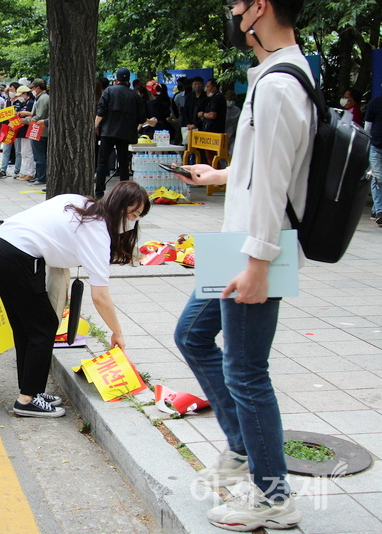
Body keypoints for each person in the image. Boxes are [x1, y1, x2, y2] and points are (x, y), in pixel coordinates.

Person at [172, 0, 312, 529]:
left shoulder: (278, 84)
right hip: (241, 245)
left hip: (255, 249)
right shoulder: (276, 74)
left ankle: (274, 497)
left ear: (260, 7)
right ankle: (239, 446)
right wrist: (220, 176)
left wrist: (258, 263)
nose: (230, 12)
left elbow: (276, 183)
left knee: (247, 370)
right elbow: (263, 168)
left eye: (236, 3)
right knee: (191, 336)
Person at [0, 181, 149, 417]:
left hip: (0, 247)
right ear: (119, 207)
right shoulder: (97, 232)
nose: (134, 221)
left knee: (27, 327)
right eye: (133, 214)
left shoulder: (80, 203)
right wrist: (117, 332)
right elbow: (101, 297)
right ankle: (26, 400)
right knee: (44, 325)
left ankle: (32, 391)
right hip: (16, 256)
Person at [94, 68, 145, 198]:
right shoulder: (135, 95)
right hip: (126, 134)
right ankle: (124, 194)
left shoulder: (109, 91)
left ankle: (99, 192)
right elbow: (141, 118)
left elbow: (101, 111)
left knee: (102, 162)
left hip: (108, 132)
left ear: (116, 80)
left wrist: (95, 125)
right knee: (123, 164)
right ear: (129, 80)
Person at [26, 78, 50, 185]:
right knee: (41, 155)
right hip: (41, 130)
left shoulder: (43, 99)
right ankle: (40, 176)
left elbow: (39, 116)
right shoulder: (41, 98)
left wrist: (25, 120)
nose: (32, 90)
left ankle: (41, 177)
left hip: (40, 130)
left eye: (33, 88)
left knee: (39, 155)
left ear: (38, 88)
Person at [365, 88, 382, 225]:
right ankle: (380, 211)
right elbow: (368, 126)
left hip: (376, 145)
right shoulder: (375, 103)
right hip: (376, 146)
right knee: (378, 178)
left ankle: (376, 209)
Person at [13, 86, 36, 181]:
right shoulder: (25, 103)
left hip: (28, 129)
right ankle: (26, 172)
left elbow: (34, 114)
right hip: (22, 130)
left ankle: (30, 173)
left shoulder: (31, 103)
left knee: (28, 152)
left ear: (25, 94)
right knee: (24, 152)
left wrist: (25, 113)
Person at [224, 89, 241, 154]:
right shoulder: (222, 109)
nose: (231, 101)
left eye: (233, 100)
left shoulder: (237, 110)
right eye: (229, 99)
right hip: (224, 135)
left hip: (233, 136)